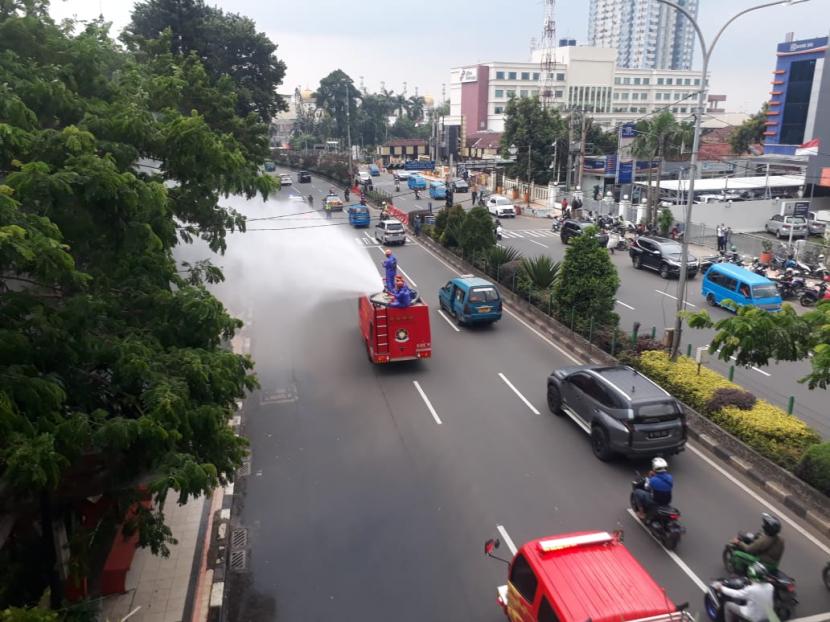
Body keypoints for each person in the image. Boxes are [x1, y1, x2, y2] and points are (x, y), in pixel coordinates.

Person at [633, 457, 673, 522]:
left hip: (655, 501)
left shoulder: (653, 480)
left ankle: (642, 513)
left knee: (637, 492)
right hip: (667, 500)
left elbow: (646, 487)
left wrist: (650, 476)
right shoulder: (670, 477)